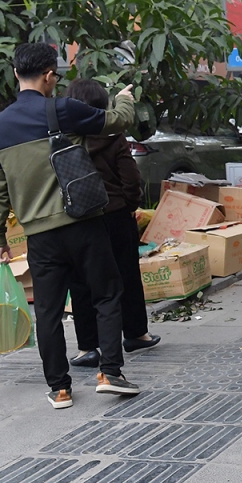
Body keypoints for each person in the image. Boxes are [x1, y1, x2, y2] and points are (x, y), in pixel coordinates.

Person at [0, 42, 141, 409]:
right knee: (106, 294)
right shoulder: (63, 109)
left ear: (16, 74)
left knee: (49, 312)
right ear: (49, 75)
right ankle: (111, 373)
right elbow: (117, 122)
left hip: (40, 237)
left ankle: (60, 388)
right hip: (84, 224)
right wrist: (124, 98)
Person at [63, 79, 160, 368]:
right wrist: (129, 206)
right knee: (126, 275)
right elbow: (131, 179)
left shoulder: (64, 138)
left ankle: (87, 347)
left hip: (79, 217)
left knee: (81, 281)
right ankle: (135, 334)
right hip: (115, 216)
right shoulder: (115, 137)